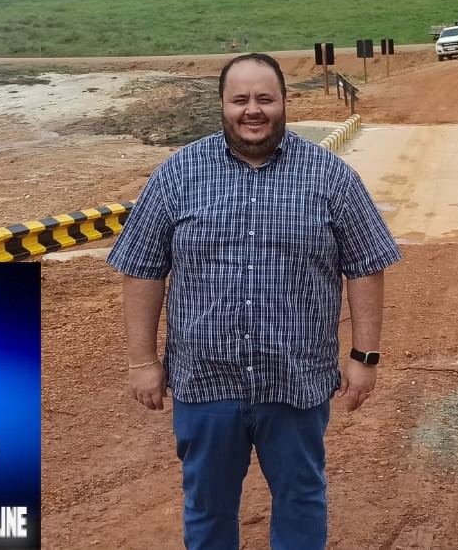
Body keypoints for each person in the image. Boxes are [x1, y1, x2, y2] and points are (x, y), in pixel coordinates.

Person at [107, 53, 401, 550]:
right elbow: (141, 268)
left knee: (301, 496)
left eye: (265, 98)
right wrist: (142, 361)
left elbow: (366, 265)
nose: (252, 110)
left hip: (296, 379)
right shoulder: (177, 175)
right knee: (207, 503)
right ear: (222, 104)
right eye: (239, 99)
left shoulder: (331, 177)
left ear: (285, 102)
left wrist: (364, 357)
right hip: (206, 380)